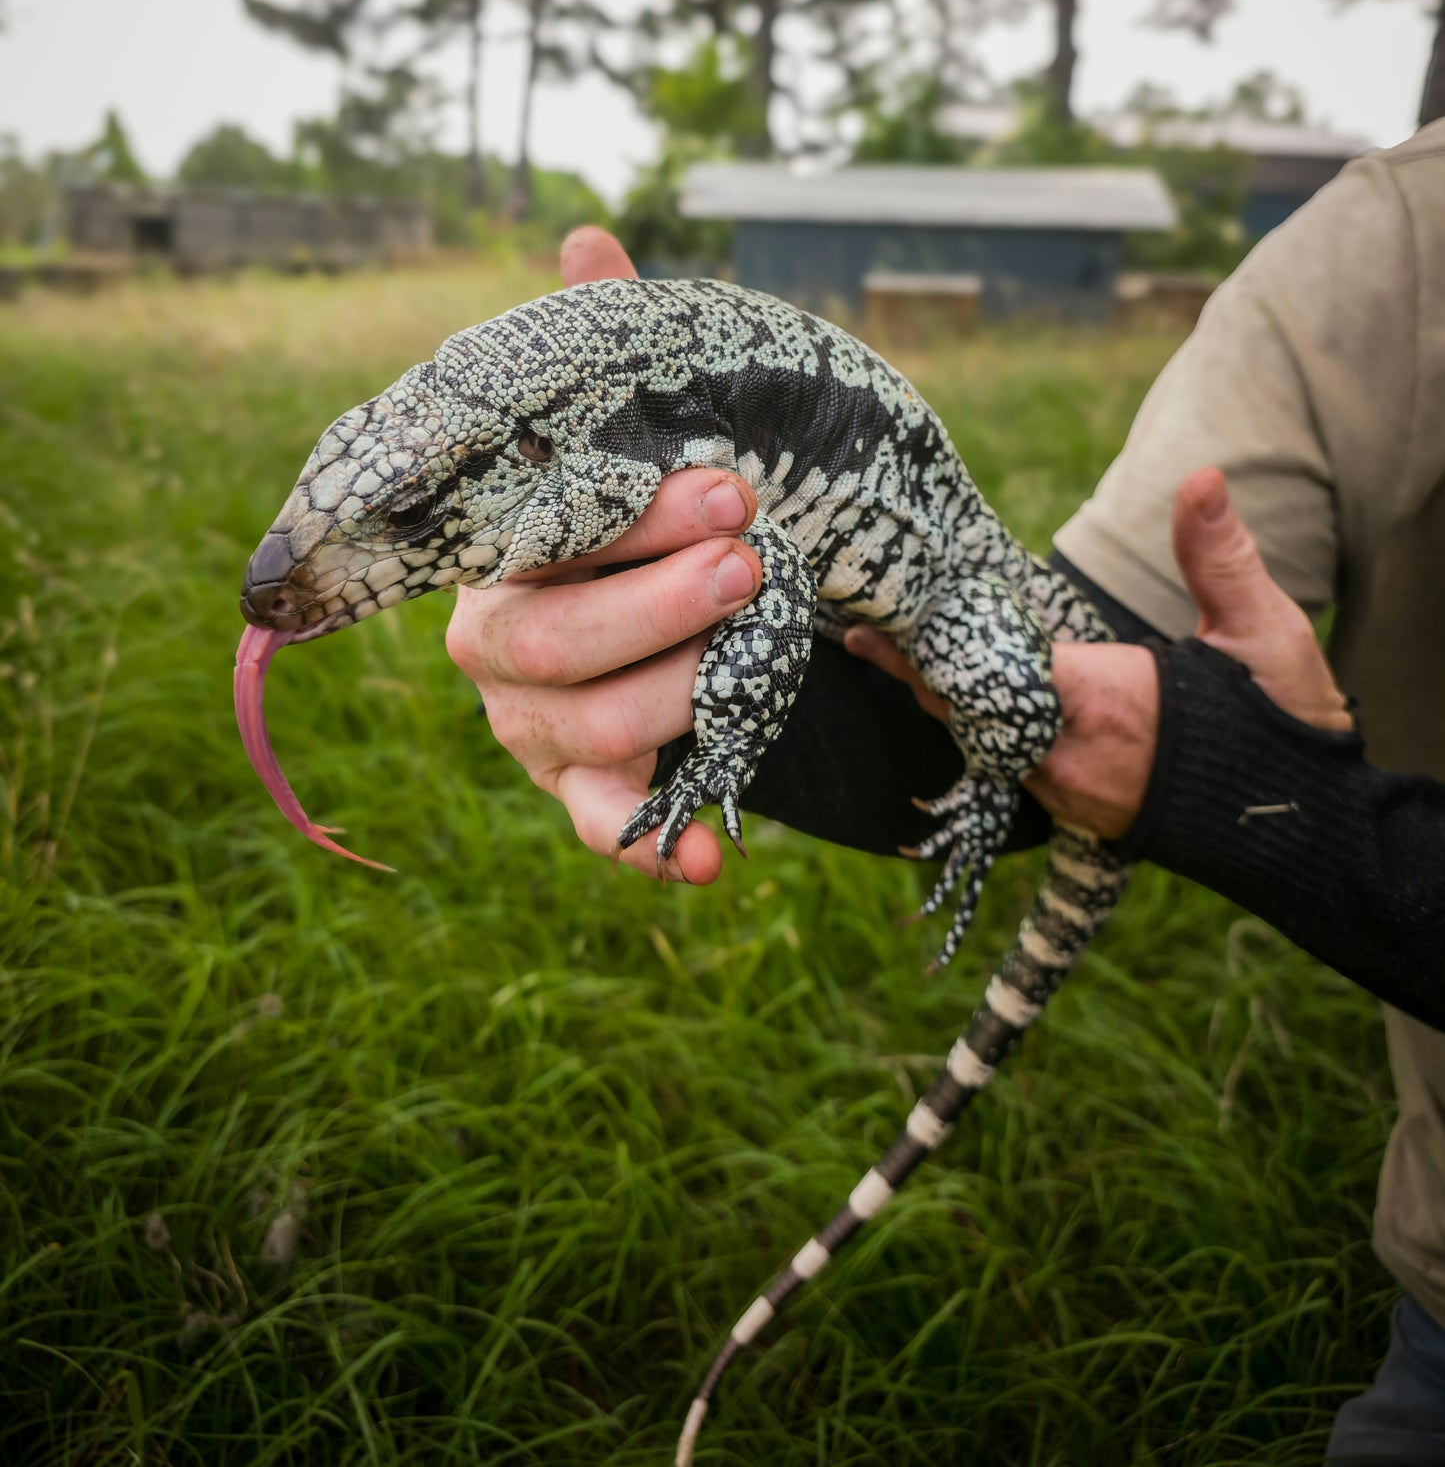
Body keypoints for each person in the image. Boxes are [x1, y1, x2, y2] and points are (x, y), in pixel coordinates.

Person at [445, 114, 1445, 1463]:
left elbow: (1103, 736)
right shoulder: (1388, 245)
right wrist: (679, 667)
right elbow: (1046, 710)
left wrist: (1246, 796)